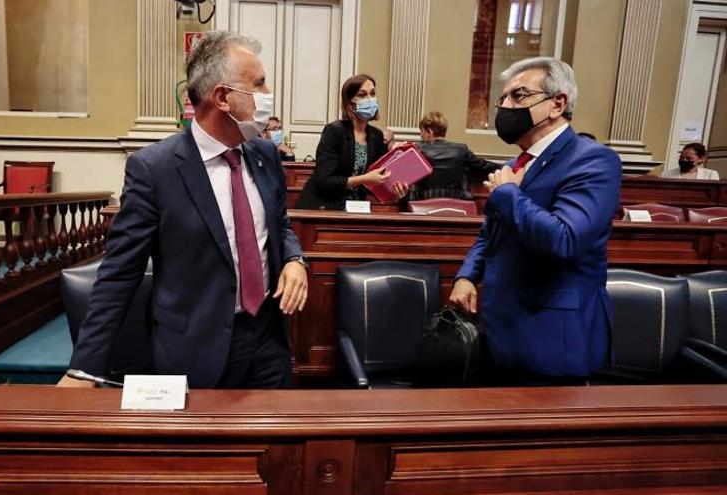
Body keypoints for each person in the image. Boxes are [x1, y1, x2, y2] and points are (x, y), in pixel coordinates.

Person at [59, 31, 308, 389]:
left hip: (269, 339)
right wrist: (83, 368)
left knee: (270, 443)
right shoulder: (154, 169)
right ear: (222, 97)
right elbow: (119, 274)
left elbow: (279, 224)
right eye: (259, 84)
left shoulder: (265, 155)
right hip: (196, 350)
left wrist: (295, 260)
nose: (268, 95)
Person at [449, 57, 621, 380]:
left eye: (519, 96)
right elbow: (491, 233)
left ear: (557, 104)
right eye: (503, 99)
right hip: (501, 329)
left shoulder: (594, 160)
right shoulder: (517, 162)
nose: (505, 107)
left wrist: (508, 194)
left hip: (553, 334)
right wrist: (467, 275)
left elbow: (565, 239)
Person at [294, 74, 408, 210]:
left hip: (355, 207)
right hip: (323, 206)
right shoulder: (334, 131)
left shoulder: (376, 136)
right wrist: (363, 179)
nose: (370, 99)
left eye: (372, 94)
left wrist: (394, 190)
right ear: (349, 103)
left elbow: (377, 178)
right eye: (362, 95)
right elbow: (324, 181)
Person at [409, 111, 501, 200]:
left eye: (422, 131)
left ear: (429, 132)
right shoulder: (461, 150)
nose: (421, 135)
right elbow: (485, 166)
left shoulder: (417, 151)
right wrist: (509, 166)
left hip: (423, 208)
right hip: (458, 209)